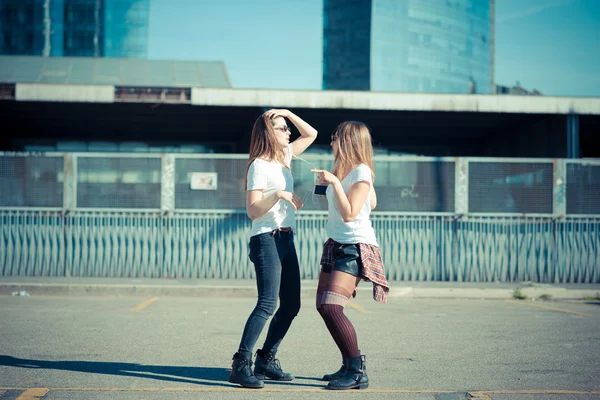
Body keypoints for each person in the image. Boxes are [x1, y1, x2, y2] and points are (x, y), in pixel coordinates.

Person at [228, 109, 318, 389]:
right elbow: (253, 211)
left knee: (292, 304)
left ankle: (265, 359)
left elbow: (311, 134)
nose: (287, 132)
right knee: (268, 303)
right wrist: (276, 194)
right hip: (266, 237)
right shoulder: (259, 165)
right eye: (281, 128)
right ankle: (240, 364)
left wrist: (288, 113)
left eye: (286, 127)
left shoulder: (285, 157)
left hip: (286, 238)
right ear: (268, 133)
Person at [310, 121, 389, 390]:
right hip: (335, 243)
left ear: (347, 142)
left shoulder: (361, 171)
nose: (331, 143)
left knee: (333, 307)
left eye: (335, 138)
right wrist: (334, 181)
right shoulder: (346, 171)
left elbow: (351, 213)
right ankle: (347, 364)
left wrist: (335, 182)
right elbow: (373, 203)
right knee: (322, 305)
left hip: (354, 246)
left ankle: (356, 370)